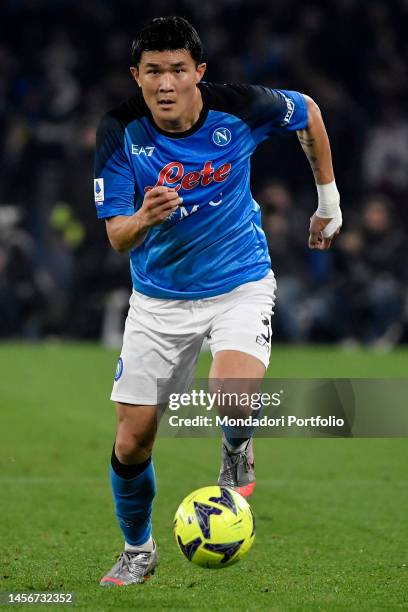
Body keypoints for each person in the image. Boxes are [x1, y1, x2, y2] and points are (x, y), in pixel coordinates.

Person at [93, 16, 342, 586]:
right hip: (158, 299)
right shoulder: (119, 131)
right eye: (153, 71)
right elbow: (115, 236)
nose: (165, 82)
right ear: (137, 76)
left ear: (198, 73)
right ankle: (138, 549)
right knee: (132, 442)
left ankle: (237, 446)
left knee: (232, 395)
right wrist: (143, 217)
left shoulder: (239, 107)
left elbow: (307, 112)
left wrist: (328, 200)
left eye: (177, 69)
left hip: (239, 283)